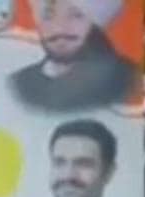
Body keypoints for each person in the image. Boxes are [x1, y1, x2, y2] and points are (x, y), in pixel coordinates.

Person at [8, 0, 137, 114]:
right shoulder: (23, 83)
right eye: (48, 16)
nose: (59, 28)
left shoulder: (125, 80)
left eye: (76, 15)